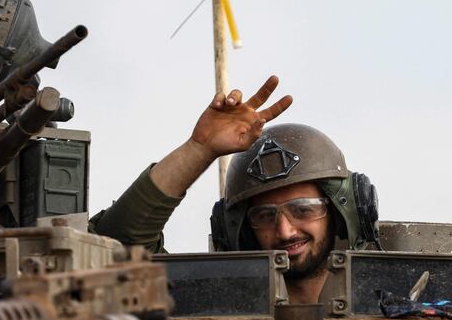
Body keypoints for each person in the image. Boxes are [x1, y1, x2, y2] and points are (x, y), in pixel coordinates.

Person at [91, 76, 380, 303]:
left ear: (344, 210)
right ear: (237, 229)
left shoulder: (392, 300)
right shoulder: (218, 303)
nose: (285, 232)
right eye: (265, 216)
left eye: (303, 209)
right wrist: (199, 149)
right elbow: (120, 244)